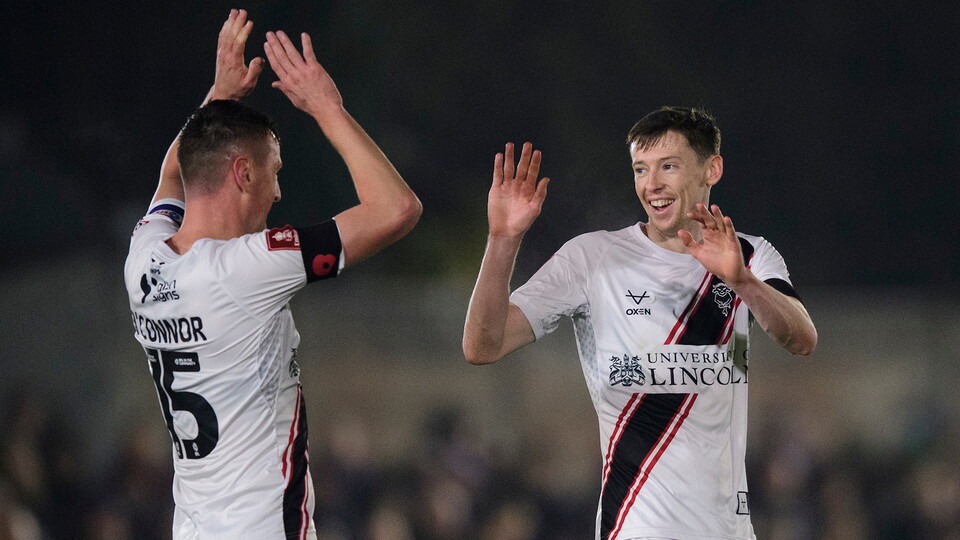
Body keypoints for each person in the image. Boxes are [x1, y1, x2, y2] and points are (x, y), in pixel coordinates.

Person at [124, 10, 421, 540]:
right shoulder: (245, 268)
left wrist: (217, 98)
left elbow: (176, 170)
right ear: (243, 173)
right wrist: (327, 108)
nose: (278, 193)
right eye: (275, 172)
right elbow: (397, 210)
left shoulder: (144, 260)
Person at [462, 107, 817, 540]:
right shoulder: (592, 259)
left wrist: (741, 280)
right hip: (633, 528)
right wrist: (503, 240)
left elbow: (801, 338)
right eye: (640, 169)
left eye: (668, 166)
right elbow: (482, 346)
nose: (652, 185)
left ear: (712, 169)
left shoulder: (749, 256)